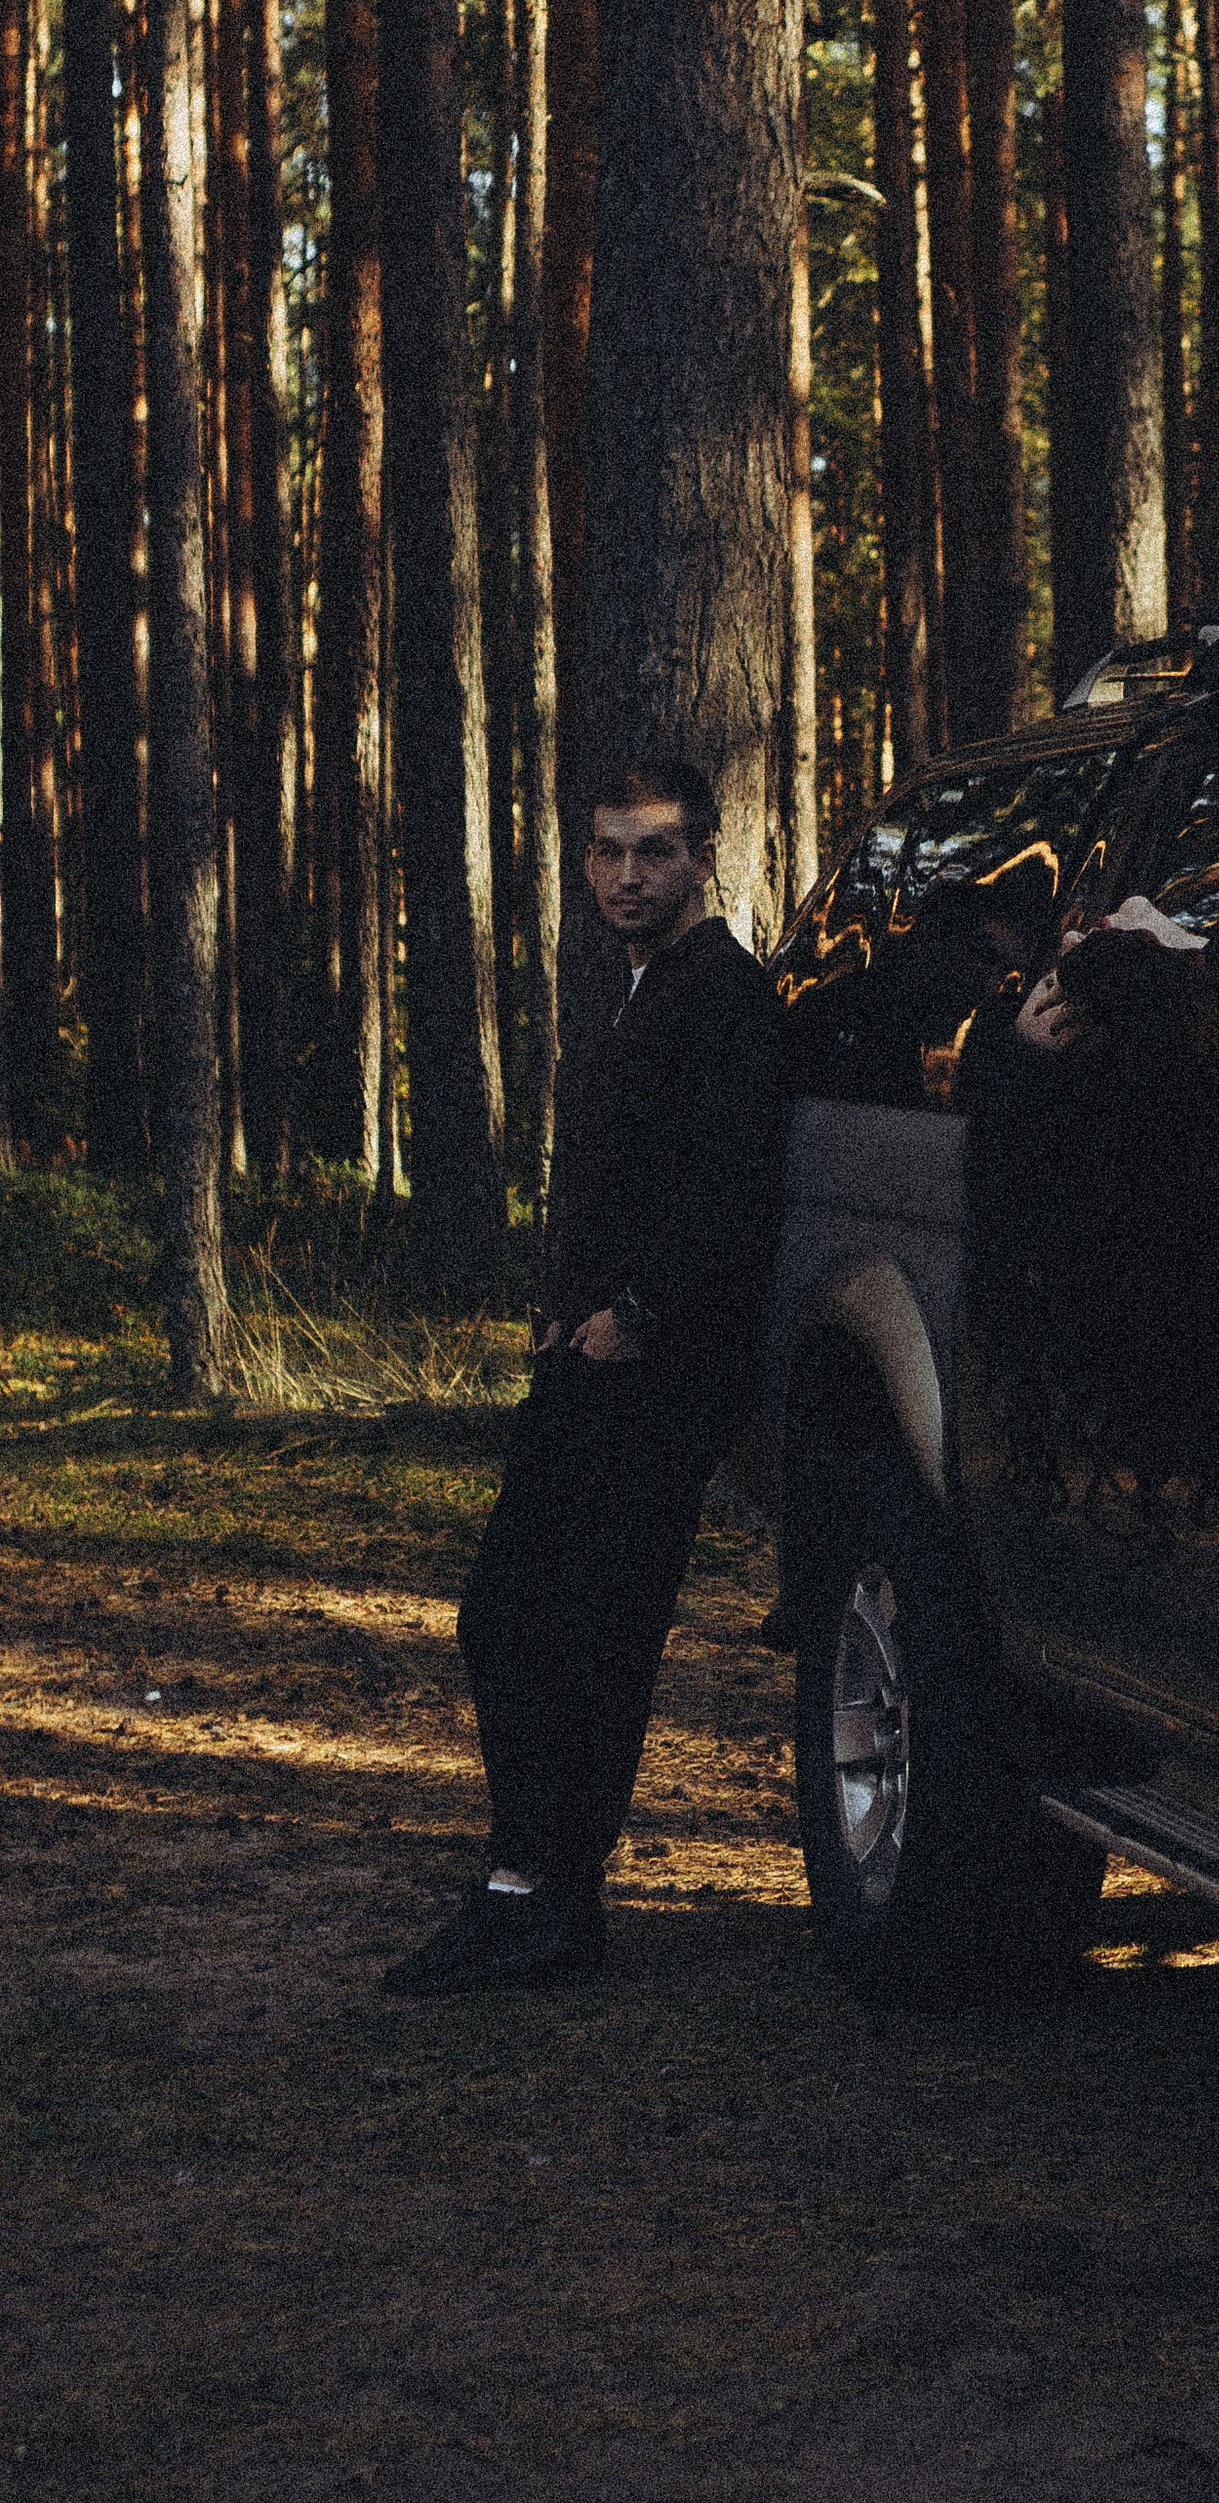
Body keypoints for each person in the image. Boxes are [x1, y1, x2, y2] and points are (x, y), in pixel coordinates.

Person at [385, 755, 789, 1996]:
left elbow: (734, 1186)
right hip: (598, 1360)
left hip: (655, 1370)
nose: (626, 874)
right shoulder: (643, 990)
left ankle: (538, 1898)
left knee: (569, 1631)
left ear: (702, 858)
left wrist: (634, 1312)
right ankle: (539, 1891)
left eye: (653, 851)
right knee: (521, 1621)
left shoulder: (722, 998)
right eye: (608, 851)